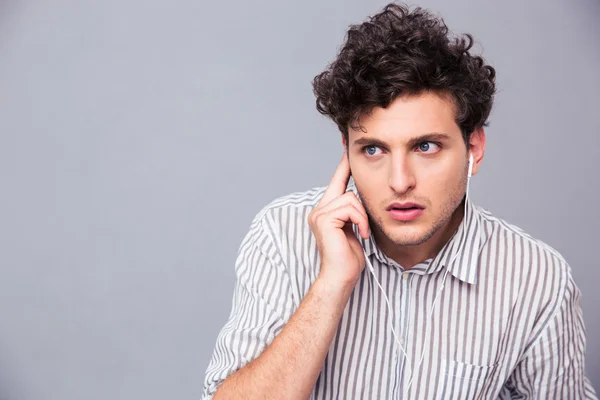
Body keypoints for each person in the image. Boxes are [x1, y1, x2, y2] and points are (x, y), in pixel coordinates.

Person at [201, 3, 598, 399]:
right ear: (347, 152)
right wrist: (331, 285)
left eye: (425, 146)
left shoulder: (537, 279)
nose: (400, 182)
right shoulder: (283, 237)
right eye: (373, 150)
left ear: (473, 147)